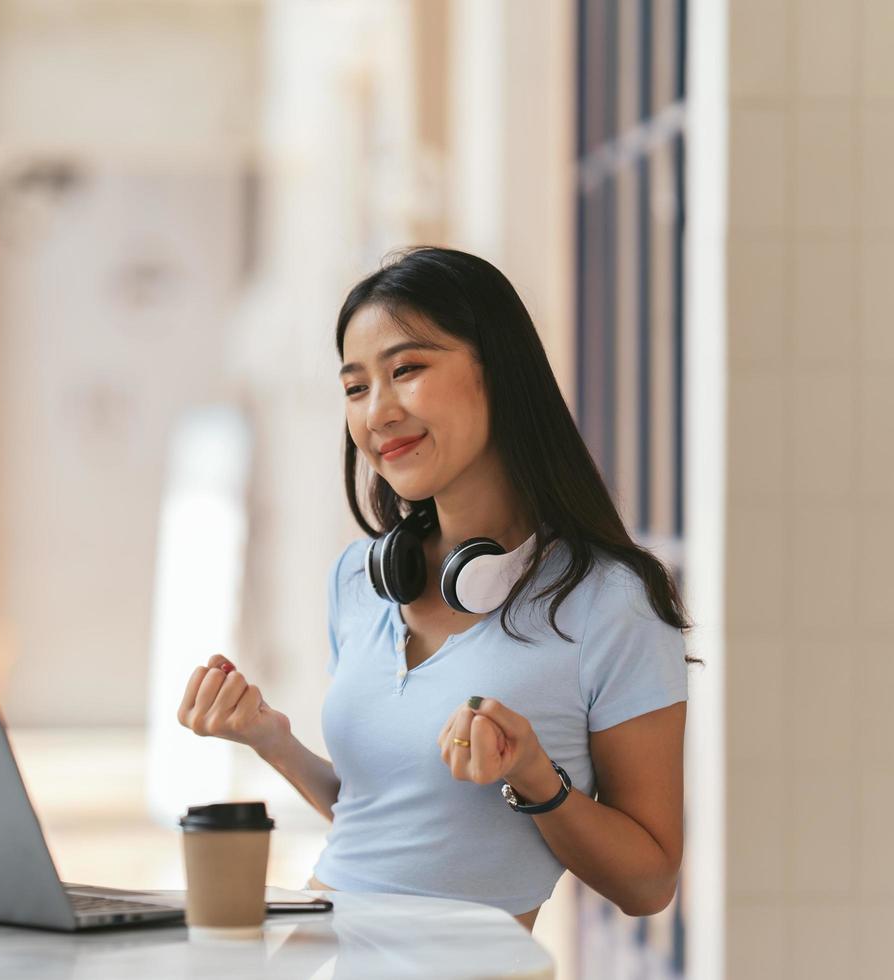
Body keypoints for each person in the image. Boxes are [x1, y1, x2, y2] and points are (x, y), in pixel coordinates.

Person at [176, 246, 695, 933]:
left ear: (499, 371)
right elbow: (391, 820)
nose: (378, 412)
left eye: (408, 370)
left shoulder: (610, 603)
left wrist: (537, 780)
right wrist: (272, 741)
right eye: (356, 387)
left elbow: (649, 881)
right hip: (319, 948)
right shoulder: (359, 579)